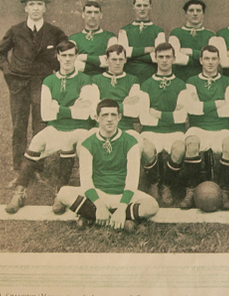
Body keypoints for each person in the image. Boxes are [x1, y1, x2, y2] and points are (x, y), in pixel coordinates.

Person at [4, 40, 95, 215]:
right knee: (36, 141)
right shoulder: (49, 80)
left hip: (79, 128)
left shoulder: (85, 80)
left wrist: (58, 108)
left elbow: (84, 114)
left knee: (69, 143)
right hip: (56, 127)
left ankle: (60, 195)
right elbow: (46, 115)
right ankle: (19, 193)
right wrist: (72, 109)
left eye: (71, 55)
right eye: (64, 55)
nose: (67, 59)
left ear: (76, 57)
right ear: (57, 57)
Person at [54, 99, 159, 231]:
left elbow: (132, 181)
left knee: (152, 206)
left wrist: (122, 208)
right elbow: (86, 182)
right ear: (97, 118)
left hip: (122, 193)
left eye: (113, 115)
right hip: (98, 193)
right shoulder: (88, 143)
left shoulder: (131, 142)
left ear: (119, 117)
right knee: (63, 193)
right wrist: (99, 205)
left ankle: (90, 216)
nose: (109, 119)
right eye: (105, 115)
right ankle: (122, 220)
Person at [0, 0, 68, 171]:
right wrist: (8, 70)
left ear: (45, 8)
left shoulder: (54, 32)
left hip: (43, 85)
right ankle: (19, 167)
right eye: (31, 4)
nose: (35, 8)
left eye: (39, 4)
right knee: (19, 126)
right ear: (25, 8)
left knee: (40, 126)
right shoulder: (15, 30)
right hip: (18, 85)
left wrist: (57, 73)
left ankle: (36, 166)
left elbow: (65, 54)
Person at [182, 45, 229, 210]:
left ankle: (224, 190)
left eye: (214, 59)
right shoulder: (191, 81)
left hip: (222, 128)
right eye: (206, 58)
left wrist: (203, 107)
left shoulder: (228, 82)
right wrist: (219, 103)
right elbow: (192, 109)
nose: (210, 62)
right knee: (191, 142)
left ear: (219, 60)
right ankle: (191, 190)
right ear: (201, 60)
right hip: (198, 127)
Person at [137, 43, 189, 207]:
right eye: (161, 57)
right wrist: (171, 115)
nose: (164, 60)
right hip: (150, 131)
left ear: (174, 59)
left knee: (179, 148)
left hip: (175, 131)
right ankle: (153, 184)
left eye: (168, 57)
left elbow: (182, 117)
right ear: (155, 58)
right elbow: (144, 118)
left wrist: (157, 113)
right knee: (146, 149)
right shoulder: (145, 85)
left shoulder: (181, 85)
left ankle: (166, 185)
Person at [90, 44, 140, 134]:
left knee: (137, 139)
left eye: (121, 59)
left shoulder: (133, 80)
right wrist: (123, 105)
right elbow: (94, 109)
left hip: (125, 127)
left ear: (125, 60)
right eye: (114, 59)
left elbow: (133, 111)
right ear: (106, 60)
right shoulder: (96, 79)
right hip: (101, 127)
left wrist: (104, 105)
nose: (117, 63)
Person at [118, 0, 166, 83]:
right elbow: (123, 53)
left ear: (150, 7)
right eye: (139, 5)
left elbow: (158, 57)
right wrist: (146, 50)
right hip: (129, 76)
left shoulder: (158, 31)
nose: (142, 9)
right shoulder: (124, 30)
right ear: (134, 7)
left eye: (145, 5)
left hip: (151, 77)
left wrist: (132, 55)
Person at [168, 0, 216, 81]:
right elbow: (175, 58)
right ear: (186, 14)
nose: (195, 13)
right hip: (180, 78)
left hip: (203, 80)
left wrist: (191, 52)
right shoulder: (175, 33)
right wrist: (202, 59)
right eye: (191, 10)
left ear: (203, 14)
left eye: (198, 11)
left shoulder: (210, 35)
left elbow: (212, 58)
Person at [69, 1, 118, 76]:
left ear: (101, 15)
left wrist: (83, 57)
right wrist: (100, 62)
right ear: (83, 15)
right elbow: (71, 64)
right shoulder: (73, 39)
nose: (92, 16)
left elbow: (112, 61)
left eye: (96, 12)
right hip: (80, 80)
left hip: (103, 79)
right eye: (89, 12)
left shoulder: (110, 37)